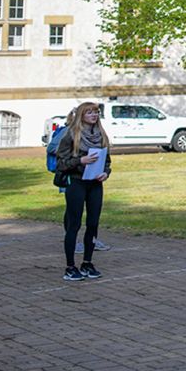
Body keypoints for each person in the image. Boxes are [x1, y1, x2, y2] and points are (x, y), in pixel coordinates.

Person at [53, 101, 112, 281]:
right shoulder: (71, 135)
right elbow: (61, 163)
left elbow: (107, 160)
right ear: (81, 116)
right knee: (74, 224)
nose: (94, 116)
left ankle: (87, 262)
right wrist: (81, 161)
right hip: (76, 182)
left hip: (95, 183)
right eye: (89, 113)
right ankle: (70, 266)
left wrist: (106, 173)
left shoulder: (101, 135)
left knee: (93, 223)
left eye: (95, 113)